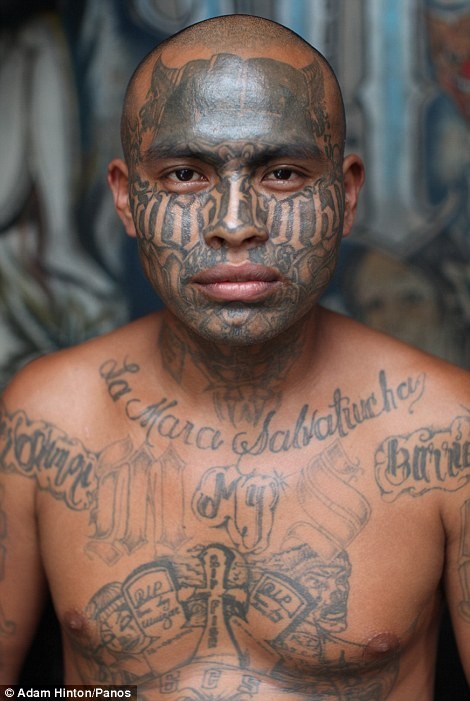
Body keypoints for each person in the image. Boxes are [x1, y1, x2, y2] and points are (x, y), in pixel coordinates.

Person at [0, 13, 469, 699]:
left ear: (345, 193)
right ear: (128, 198)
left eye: (282, 172)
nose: (234, 224)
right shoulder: (46, 419)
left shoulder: (449, 430)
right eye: (186, 173)